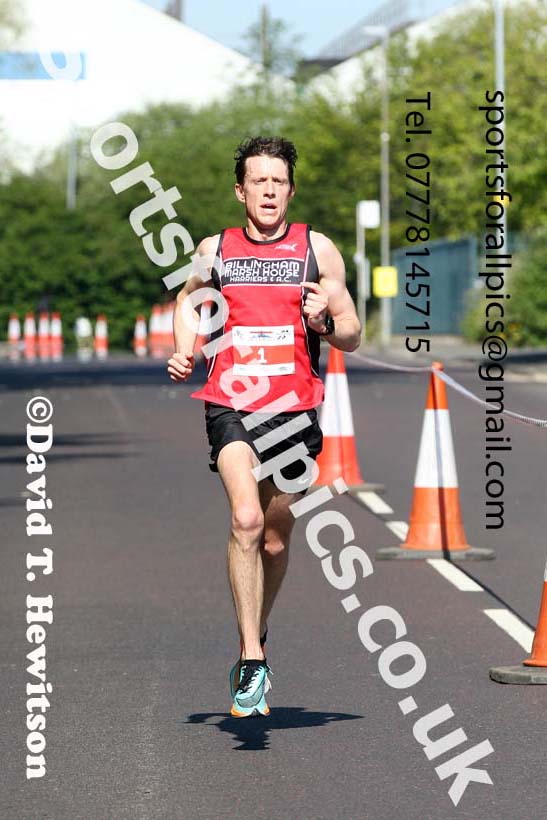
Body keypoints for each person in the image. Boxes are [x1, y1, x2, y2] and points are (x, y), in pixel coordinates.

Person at [167, 136, 361, 717]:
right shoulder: (216, 249)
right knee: (245, 518)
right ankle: (251, 657)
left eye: (279, 181)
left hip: (294, 411)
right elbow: (187, 299)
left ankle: (259, 630)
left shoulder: (317, 251)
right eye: (259, 181)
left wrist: (325, 320)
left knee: (274, 536)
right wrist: (186, 348)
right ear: (241, 191)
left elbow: (352, 331)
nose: (269, 190)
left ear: (291, 190)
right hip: (230, 402)